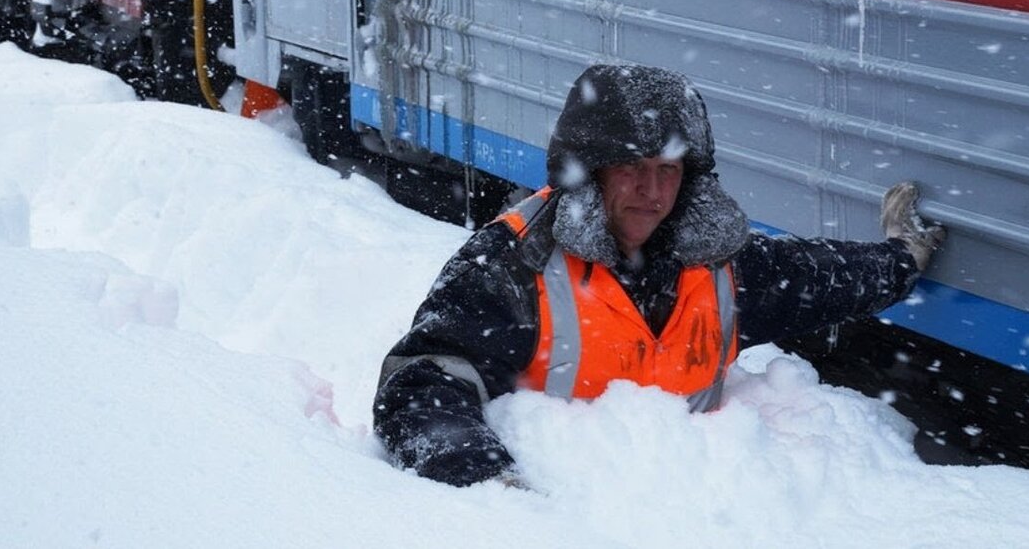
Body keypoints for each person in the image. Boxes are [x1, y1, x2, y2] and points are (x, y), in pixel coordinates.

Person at [373, 64, 945, 487]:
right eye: (631, 168)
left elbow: (815, 278)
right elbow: (424, 380)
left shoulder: (719, 265)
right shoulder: (513, 263)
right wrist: (490, 487)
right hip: (572, 519)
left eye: (668, 170)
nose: (652, 193)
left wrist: (899, 259)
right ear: (589, 171)